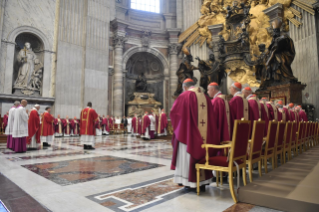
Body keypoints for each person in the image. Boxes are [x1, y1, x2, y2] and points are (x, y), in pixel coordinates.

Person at [171, 78, 219, 190]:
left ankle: (189, 182)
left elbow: (175, 114)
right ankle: (203, 181)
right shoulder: (206, 98)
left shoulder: (184, 96)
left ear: (184, 87)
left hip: (187, 135)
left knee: (186, 155)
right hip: (204, 138)